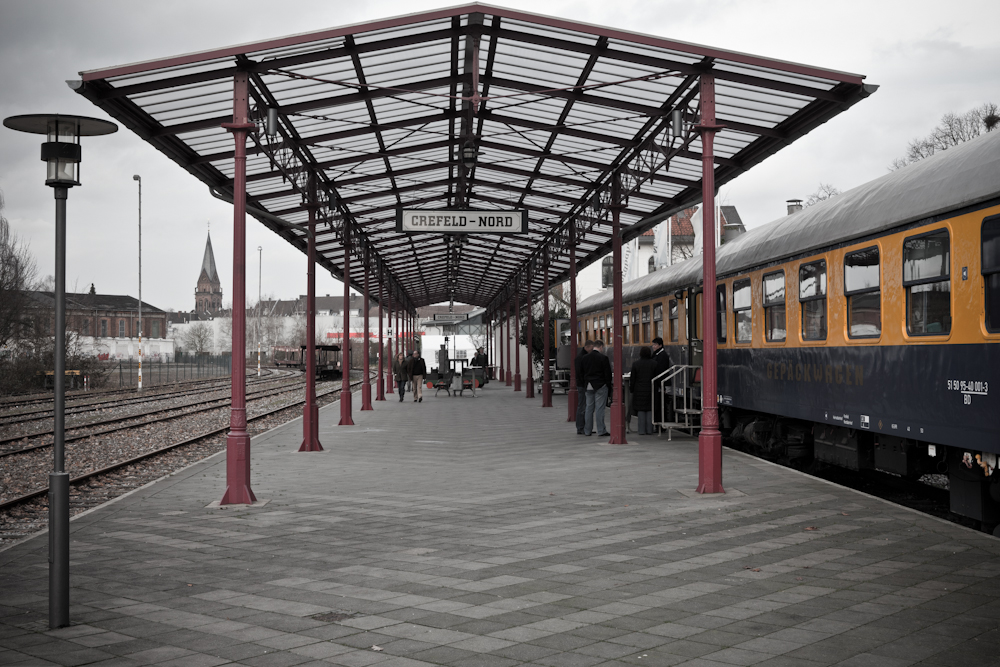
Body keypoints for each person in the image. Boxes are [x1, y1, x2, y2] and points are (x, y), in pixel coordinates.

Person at [582, 340, 612, 437]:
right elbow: (607, 374)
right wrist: (608, 385)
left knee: (589, 408)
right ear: (601, 347)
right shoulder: (603, 358)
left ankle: (587, 430)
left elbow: (582, 372)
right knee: (600, 409)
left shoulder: (585, 358)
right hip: (600, 385)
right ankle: (601, 430)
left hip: (589, 385)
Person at [629, 346, 657, 434]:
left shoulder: (636, 364)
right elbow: (656, 378)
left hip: (639, 389)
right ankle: (650, 430)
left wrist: (632, 389)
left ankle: (641, 430)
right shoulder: (654, 363)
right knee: (649, 409)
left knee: (641, 410)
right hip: (650, 389)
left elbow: (632, 378)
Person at [575, 340, 594, 434]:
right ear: (587, 347)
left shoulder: (582, 356)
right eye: (591, 348)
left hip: (583, 384)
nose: (592, 350)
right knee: (582, 406)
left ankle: (584, 427)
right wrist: (585, 383)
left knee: (584, 406)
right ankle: (580, 427)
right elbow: (580, 373)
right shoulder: (581, 357)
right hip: (582, 385)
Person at [651, 336, 670, 428]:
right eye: (653, 345)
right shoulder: (658, 354)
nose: (653, 346)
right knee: (658, 405)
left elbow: (661, 371)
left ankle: (660, 425)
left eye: (655, 345)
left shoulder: (662, 356)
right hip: (659, 384)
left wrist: (661, 386)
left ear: (660, 345)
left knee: (659, 405)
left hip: (660, 384)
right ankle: (659, 424)